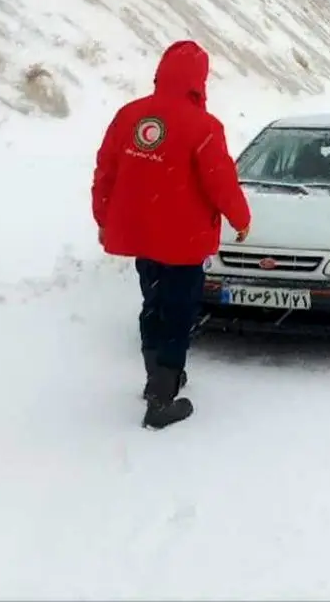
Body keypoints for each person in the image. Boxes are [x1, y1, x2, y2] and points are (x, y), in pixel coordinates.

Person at [91, 39, 251, 429]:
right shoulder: (203, 126)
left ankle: (156, 378)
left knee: (153, 302)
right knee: (178, 312)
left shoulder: (129, 115)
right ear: (200, 81)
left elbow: (105, 173)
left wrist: (103, 219)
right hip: (184, 240)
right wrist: (241, 219)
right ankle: (162, 398)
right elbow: (220, 182)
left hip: (141, 235)